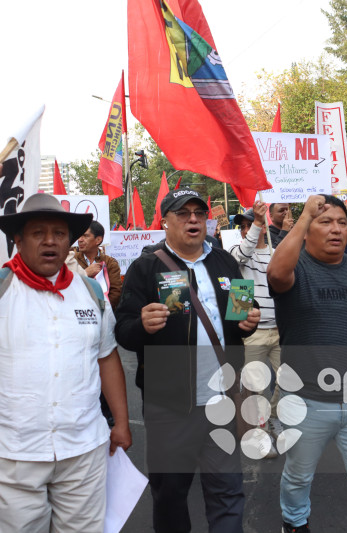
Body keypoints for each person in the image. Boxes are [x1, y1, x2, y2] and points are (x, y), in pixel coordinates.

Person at [0, 162, 131, 532]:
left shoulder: (92, 292)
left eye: (59, 233)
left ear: (70, 241)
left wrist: (122, 423)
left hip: (85, 451)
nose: (50, 240)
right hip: (14, 456)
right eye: (38, 232)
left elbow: (107, 356)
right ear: (18, 239)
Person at [115, 187, 260, 533]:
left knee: (227, 492)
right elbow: (123, 331)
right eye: (183, 213)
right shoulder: (145, 267)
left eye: (199, 212)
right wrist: (142, 325)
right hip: (170, 407)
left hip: (221, 402)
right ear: (165, 221)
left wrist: (248, 320)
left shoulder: (225, 261)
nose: (193, 219)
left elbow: (240, 320)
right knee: (170, 495)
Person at [268, 194, 347, 533]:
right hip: (305, 401)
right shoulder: (295, 270)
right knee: (298, 476)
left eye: (341, 222)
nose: (337, 229)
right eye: (325, 222)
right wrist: (307, 213)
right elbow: (277, 274)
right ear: (307, 229)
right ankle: (294, 522)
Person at [230, 201, 283, 457]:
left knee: (289, 382)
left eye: (251, 224)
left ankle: (272, 417)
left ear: (265, 229)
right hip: (253, 333)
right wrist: (258, 223)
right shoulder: (235, 255)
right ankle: (259, 433)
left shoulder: (277, 253)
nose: (246, 229)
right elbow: (241, 255)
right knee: (255, 388)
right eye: (243, 226)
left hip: (280, 329)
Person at [74, 220, 122, 311]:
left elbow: (116, 292)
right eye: (79, 235)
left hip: (104, 314)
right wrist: (85, 273)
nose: (80, 239)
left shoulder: (110, 263)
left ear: (98, 240)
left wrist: (100, 309)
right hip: (78, 314)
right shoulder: (72, 260)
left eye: (85, 236)